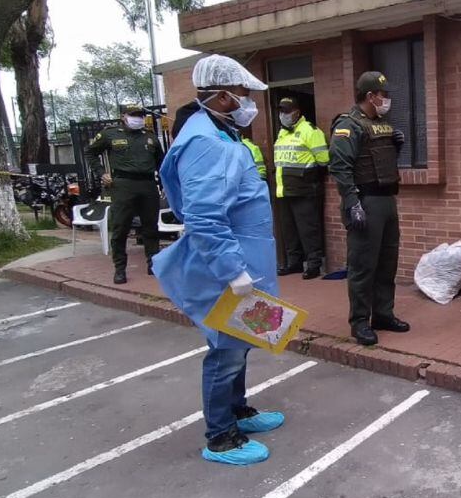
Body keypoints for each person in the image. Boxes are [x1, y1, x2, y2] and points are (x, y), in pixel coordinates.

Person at [152, 54, 284, 466]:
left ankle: (237, 411)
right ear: (224, 97)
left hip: (243, 258)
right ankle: (221, 436)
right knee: (225, 350)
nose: (249, 103)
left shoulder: (218, 132)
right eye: (244, 94)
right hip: (230, 265)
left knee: (239, 343)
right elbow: (205, 216)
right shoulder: (206, 142)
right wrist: (233, 271)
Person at [328, 71, 410, 346]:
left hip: (387, 200)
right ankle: (360, 322)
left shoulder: (381, 125)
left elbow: (379, 161)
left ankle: (383, 314)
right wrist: (352, 202)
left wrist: (396, 147)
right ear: (370, 96)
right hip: (365, 201)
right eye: (383, 95)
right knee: (363, 265)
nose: (387, 100)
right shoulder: (348, 125)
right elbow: (340, 167)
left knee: (387, 263)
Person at [86, 105, 164, 285]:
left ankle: (153, 263)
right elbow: (90, 152)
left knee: (151, 227)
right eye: (134, 115)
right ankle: (120, 269)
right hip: (123, 184)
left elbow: (161, 162)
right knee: (120, 227)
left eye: (141, 115)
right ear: (124, 116)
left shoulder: (150, 137)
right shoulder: (110, 134)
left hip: (148, 184)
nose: (138, 118)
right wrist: (101, 173)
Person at [273, 97, 329, 279]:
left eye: (287, 111)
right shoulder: (282, 133)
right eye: (281, 111)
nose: (283, 115)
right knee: (289, 231)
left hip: (304, 189)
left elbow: (323, 160)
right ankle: (294, 263)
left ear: (297, 112)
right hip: (284, 189)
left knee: (308, 230)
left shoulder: (310, 131)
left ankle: (314, 264)